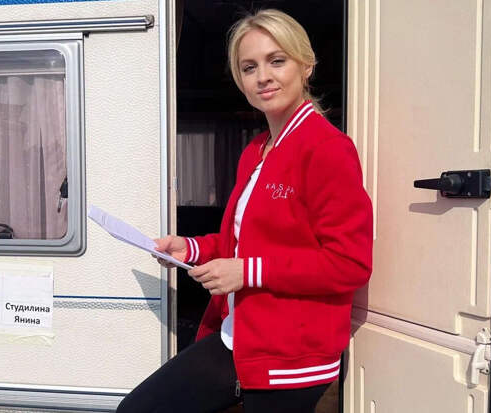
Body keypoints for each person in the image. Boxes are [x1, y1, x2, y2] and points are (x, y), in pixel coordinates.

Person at [116, 8, 372, 413]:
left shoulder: (327, 149)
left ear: (306, 66)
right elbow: (241, 242)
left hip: (290, 356)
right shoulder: (257, 149)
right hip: (238, 337)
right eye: (249, 67)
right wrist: (190, 249)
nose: (263, 76)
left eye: (277, 61)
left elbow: (349, 264)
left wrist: (248, 272)